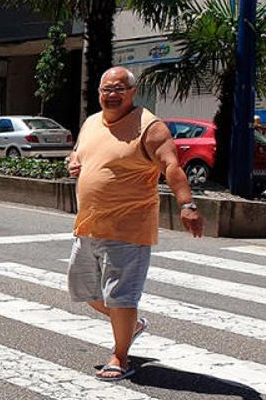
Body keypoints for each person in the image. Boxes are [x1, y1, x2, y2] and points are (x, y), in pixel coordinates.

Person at [65, 66, 203, 382]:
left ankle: (120, 356)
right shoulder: (90, 123)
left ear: (132, 92)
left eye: (119, 89)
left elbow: (172, 166)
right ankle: (132, 325)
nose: (111, 95)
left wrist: (188, 205)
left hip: (128, 228)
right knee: (84, 290)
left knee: (120, 297)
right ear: (98, 93)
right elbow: (80, 153)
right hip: (88, 225)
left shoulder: (149, 127)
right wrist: (74, 161)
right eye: (106, 90)